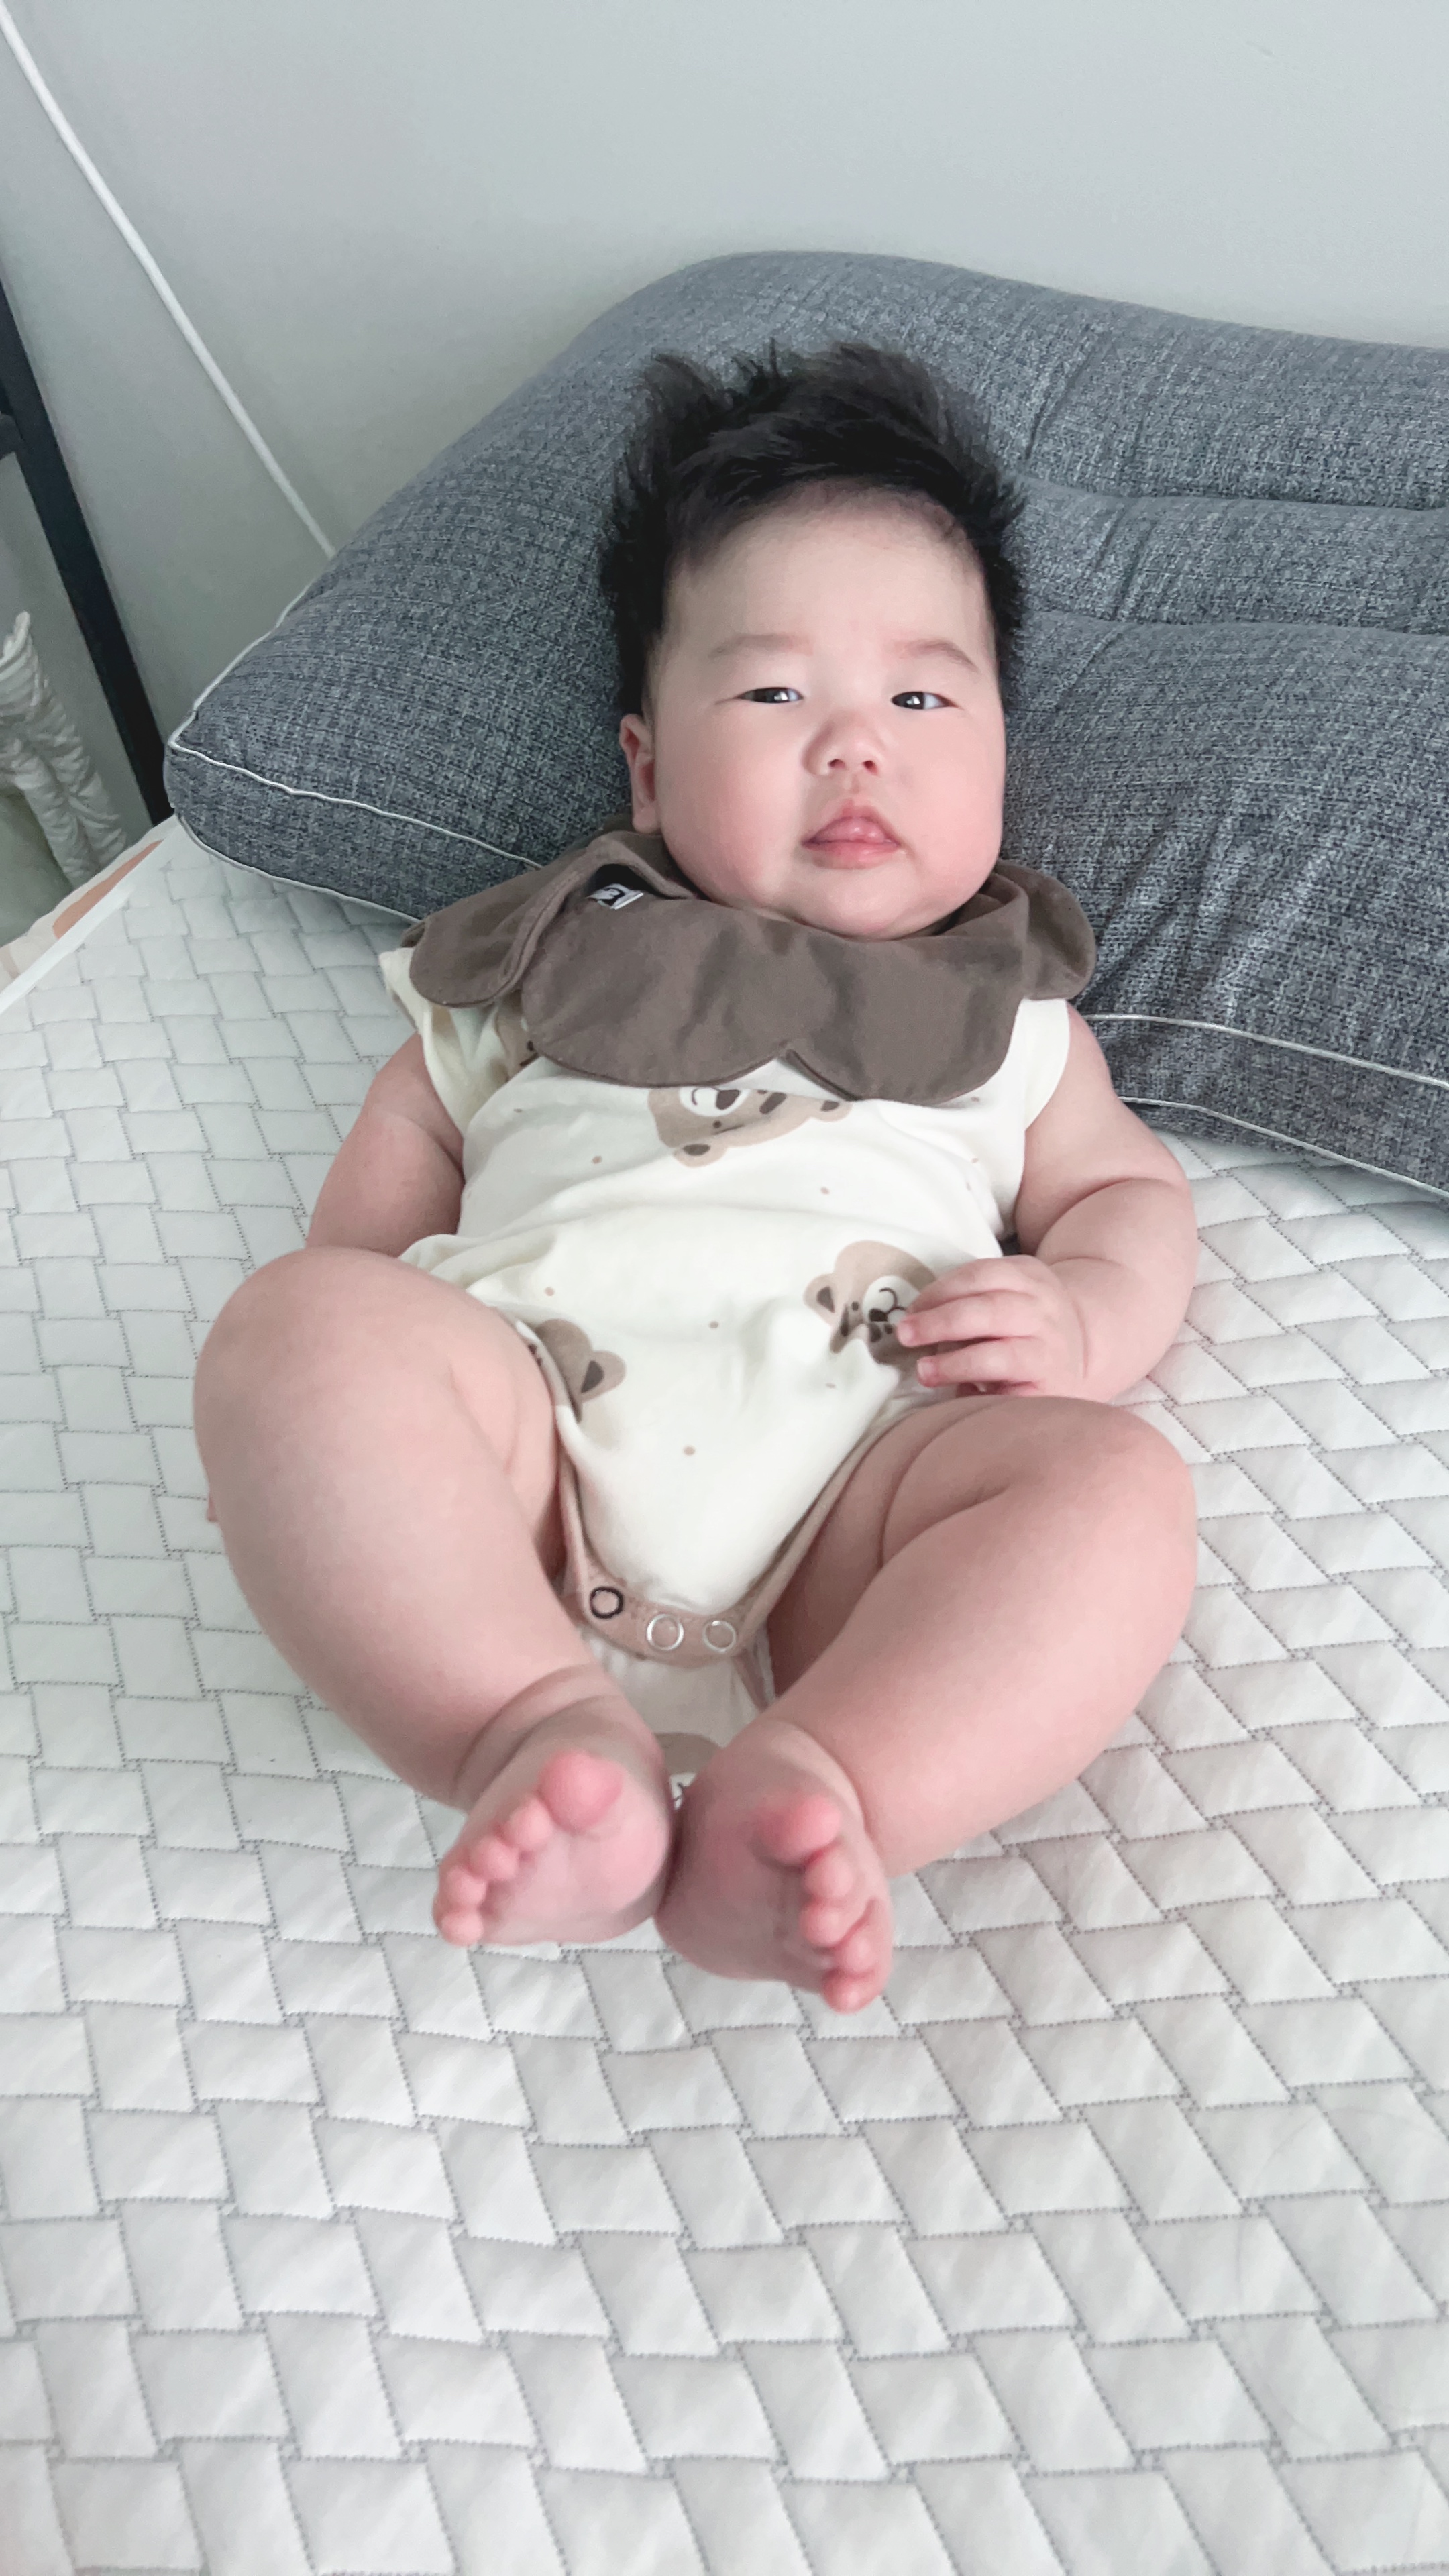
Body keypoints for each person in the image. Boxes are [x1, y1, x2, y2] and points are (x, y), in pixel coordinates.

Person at [194, 343, 1199, 2015]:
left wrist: (1088, 1318)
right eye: (774, 695)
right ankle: (528, 1724)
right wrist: (342, 1386)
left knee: (1114, 1496)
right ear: (648, 766)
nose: (855, 746)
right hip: (524, 1464)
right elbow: (412, 1134)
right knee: (292, 1329)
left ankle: (827, 1785)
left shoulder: (1009, 1016)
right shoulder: (555, 961)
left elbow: (1124, 1198)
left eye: (923, 700)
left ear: (1002, 752)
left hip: (864, 1507)